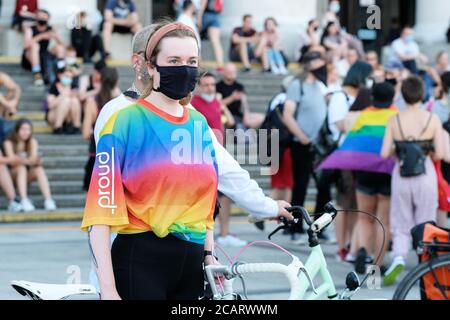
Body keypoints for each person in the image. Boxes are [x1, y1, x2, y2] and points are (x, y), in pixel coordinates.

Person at [83, 21, 293, 300]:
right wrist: (108, 289)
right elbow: (102, 208)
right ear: (148, 64)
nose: (184, 69)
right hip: (138, 257)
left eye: (191, 61)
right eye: (173, 60)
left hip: (190, 264)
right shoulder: (121, 117)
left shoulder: (195, 120)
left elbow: (208, 192)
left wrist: (208, 252)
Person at [381, 76, 443, 286]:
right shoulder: (432, 119)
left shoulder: (394, 119)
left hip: (401, 174)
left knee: (400, 221)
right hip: (425, 174)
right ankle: (423, 265)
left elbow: (383, 153)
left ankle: (398, 257)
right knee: (425, 221)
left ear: (403, 95)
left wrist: (400, 151)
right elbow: (440, 154)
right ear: (422, 93)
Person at [192, 72, 246, 247]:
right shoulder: (193, 104)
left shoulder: (216, 102)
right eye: (206, 85)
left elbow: (229, 122)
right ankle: (207, 235)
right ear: (199, 87)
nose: (210, 88)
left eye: (213, 85)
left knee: (224, 196)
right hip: (202, 157)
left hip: (219, 155)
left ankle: (223, 233)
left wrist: (223, 106)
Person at [283, 51, 328, 243]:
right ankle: (295, 227)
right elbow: (287, 114)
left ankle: (319, 225)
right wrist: (301, 137)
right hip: (302, 144)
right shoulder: (297, 85)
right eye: (319, 62)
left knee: (323, 187)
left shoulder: (320, 86)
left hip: (319, 144)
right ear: (309, 65)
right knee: (300, 186)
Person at [3, 119, 57, 212]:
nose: (26, 132)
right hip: (11, 174)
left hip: (26, 174)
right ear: (17, 130)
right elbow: (12, 161)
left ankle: (48, 200)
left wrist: (26, 160)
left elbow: (34, 159)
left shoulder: (32, 142)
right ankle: (24, 199)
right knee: (21, 168)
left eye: (28, 129)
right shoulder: (8, 142)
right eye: (23, 129)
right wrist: (28, 161)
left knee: (38, 169)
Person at [82, 67, 121, 193]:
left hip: (98, 157)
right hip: (119, 159)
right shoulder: (123, 103)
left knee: (94, 203)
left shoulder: (93, 102)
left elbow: (85, 133)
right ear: (116, 81)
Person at [21, 9, 66, 86]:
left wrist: (56, 35)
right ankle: (37, 75)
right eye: (40, 17)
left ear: (48, 18)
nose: (42, 19)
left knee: (59, 48)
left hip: (44, 56)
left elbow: (63, 45)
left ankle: (62, 72)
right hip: (30, 57)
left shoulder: (51, 28)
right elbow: (25, 46)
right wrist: (41, 36)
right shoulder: (30, 29)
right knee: (35, 46)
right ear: (36, 18)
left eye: (44, 17)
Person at [216, 63, 265, 129]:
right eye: (229, 72)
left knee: (263, 118)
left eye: (233, 72)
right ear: (224, 72)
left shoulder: (239, 86)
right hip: (224, 116)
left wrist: (246, 114)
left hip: (238, 115)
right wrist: (232, 98)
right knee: (238, 127)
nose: (231, 74)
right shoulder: (218, 86)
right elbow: (217, 104)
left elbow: (244, 103)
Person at [46, 67, 82, 134]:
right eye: (66, 76)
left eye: (70, 77)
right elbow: (50, 105)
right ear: (59, 75)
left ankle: (76, 126)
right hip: (54, 114)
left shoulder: (73, 87)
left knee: (74, 101)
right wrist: (63, 95)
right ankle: (57, 127)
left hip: (69, 116)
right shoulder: (53, 87)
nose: (68, 79)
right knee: (66, 101)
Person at [197, 0, 224, 72]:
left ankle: (199, 64)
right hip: (216, 16)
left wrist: (199, 18)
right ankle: (220, 66)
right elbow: (221, 8)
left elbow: (203, 4)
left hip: (206, 15)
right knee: (216, 42)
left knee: (196, 38)